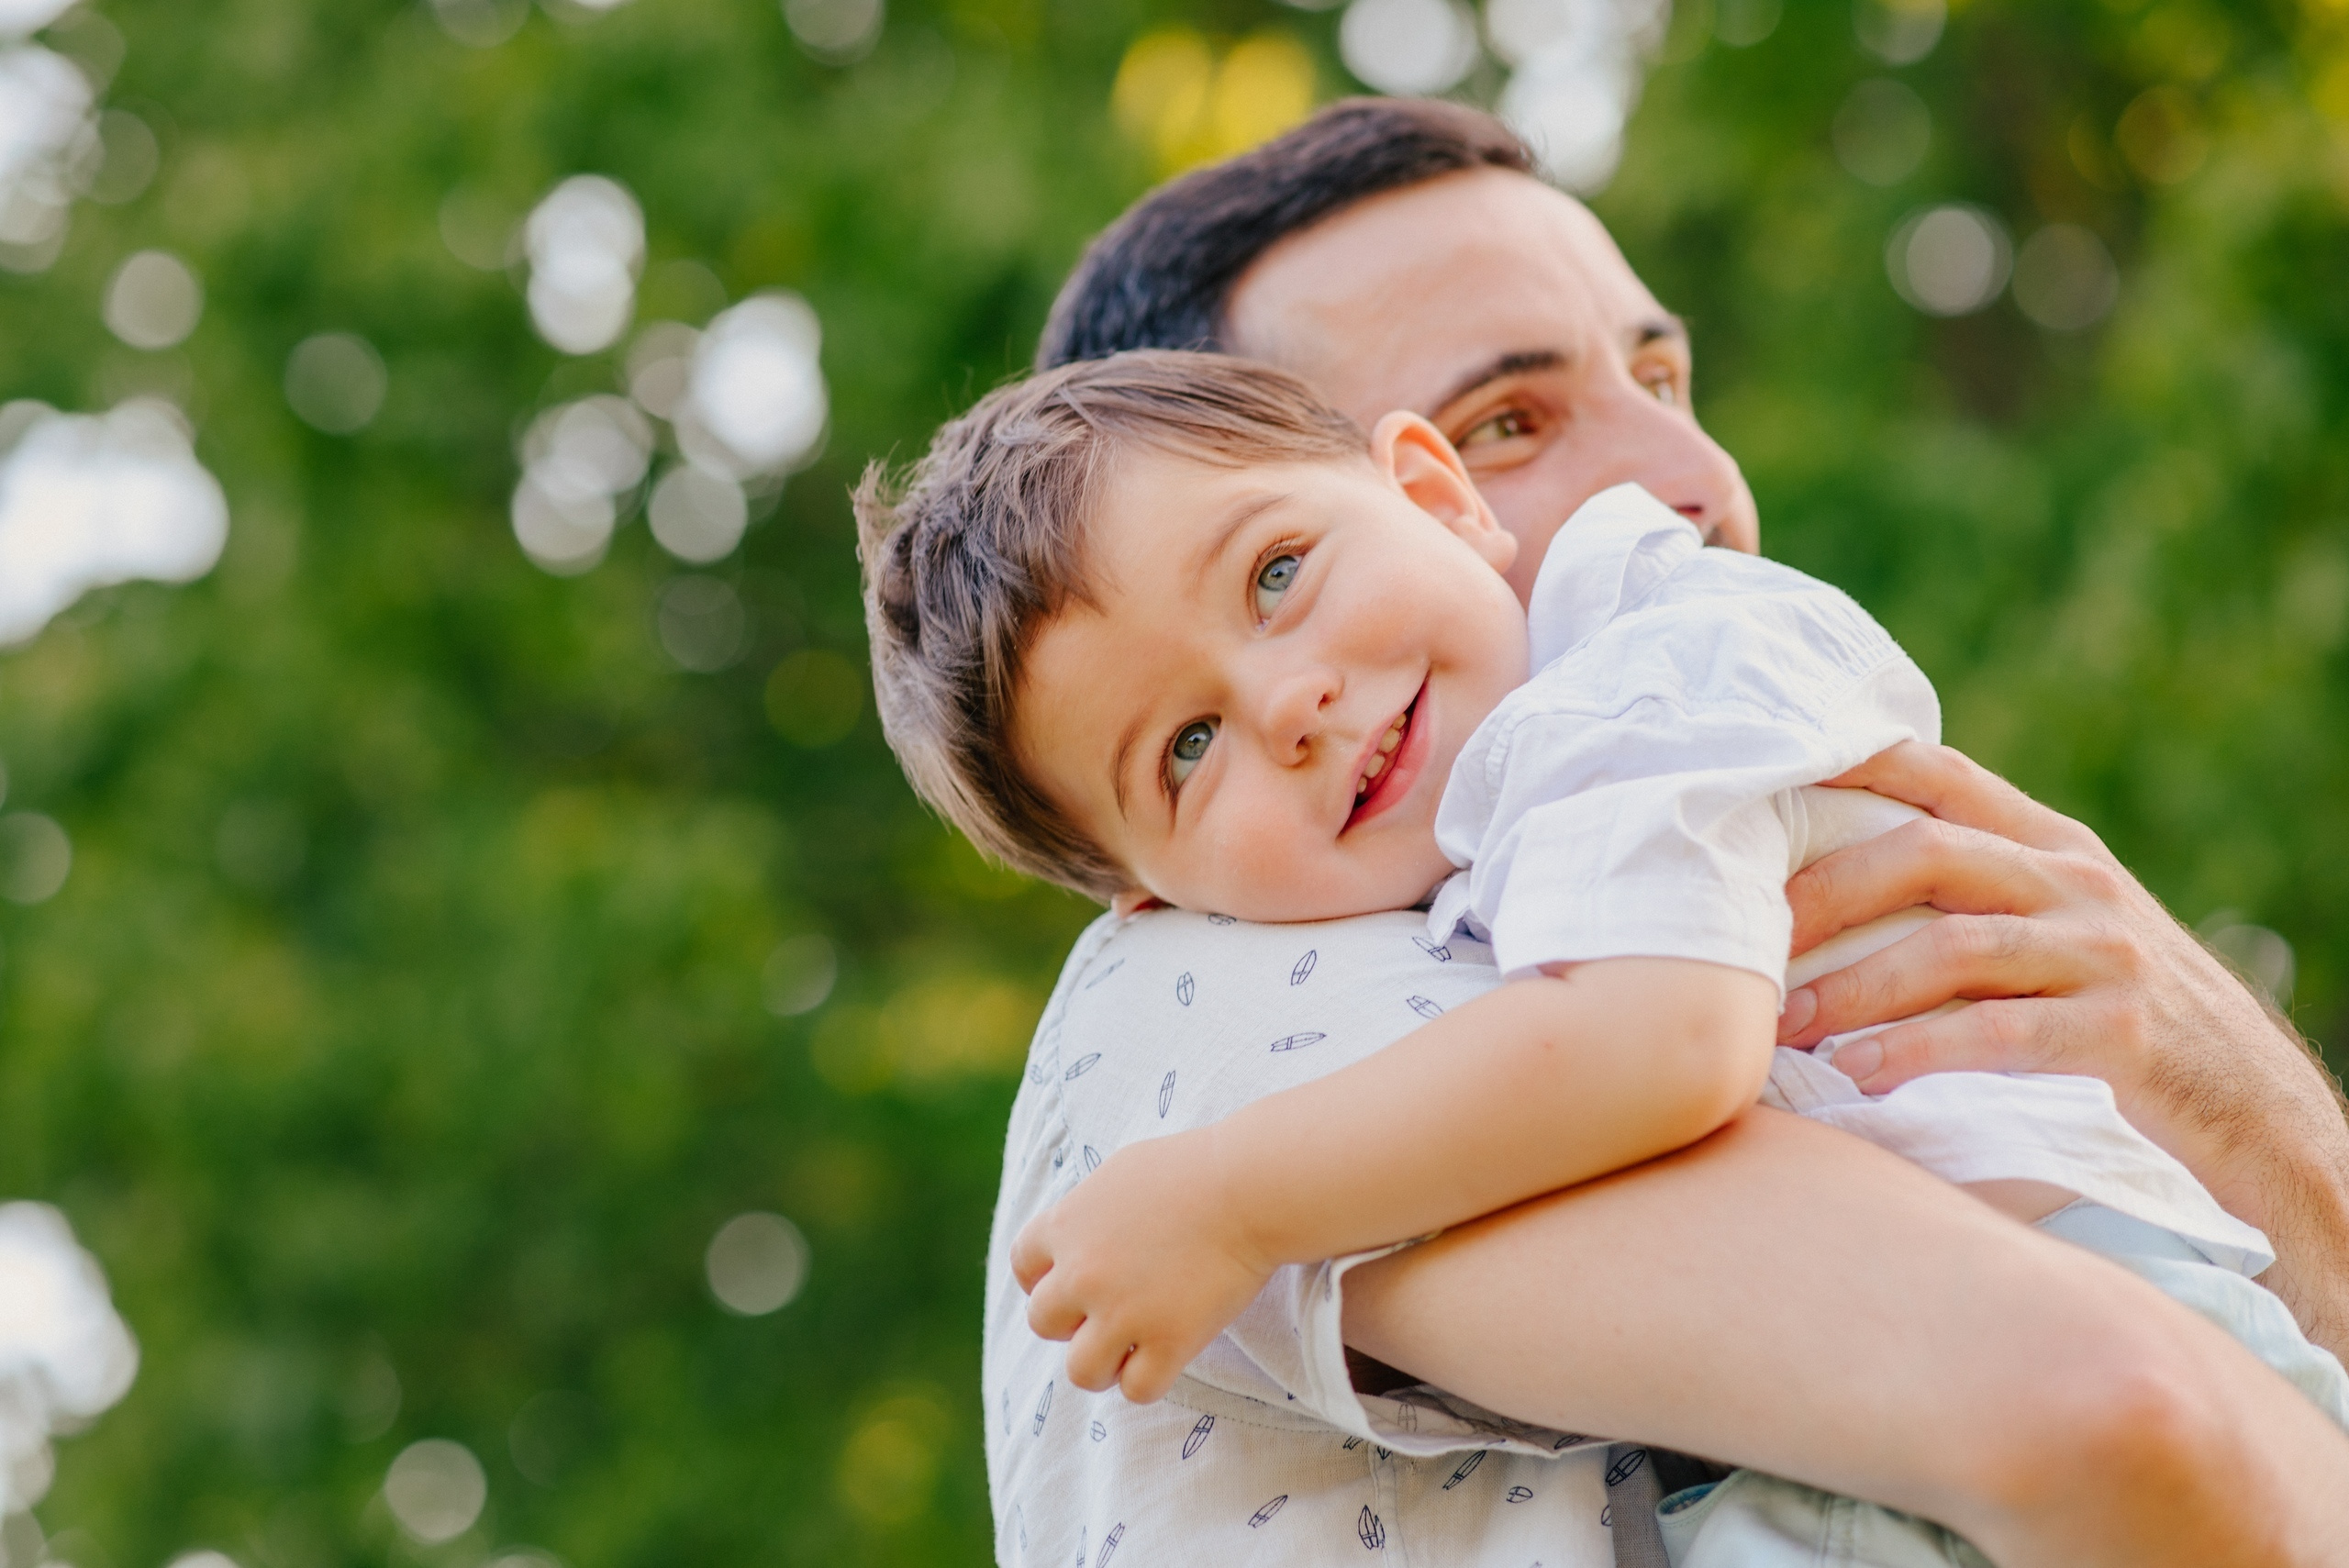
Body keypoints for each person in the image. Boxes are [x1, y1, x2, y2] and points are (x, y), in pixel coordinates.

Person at [951, 100, 2349, 1566]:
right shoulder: (1217, 1004)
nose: (1692, 485)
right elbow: (2127, 1413)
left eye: (1664, 376)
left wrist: (2253, 1112)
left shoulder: (1660, 737)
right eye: (1514, 420)